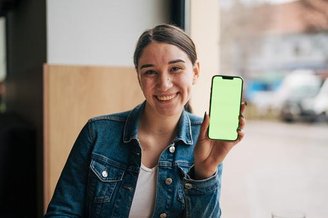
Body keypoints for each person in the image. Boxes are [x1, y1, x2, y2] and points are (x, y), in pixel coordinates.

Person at [44, 24, 246, 218]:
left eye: (175, 69)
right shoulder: (97, 133)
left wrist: (205, 171)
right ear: (139, 77)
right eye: (150, 72)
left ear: (195, 72)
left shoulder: (206, 138)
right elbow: (62, 212)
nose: (164, 84)